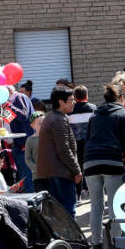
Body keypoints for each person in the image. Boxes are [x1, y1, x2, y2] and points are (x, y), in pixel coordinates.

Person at [83, 84, 125, 249]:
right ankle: (116, 245)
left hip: (90, 162)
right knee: (114, 204)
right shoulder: (124, 114)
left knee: (96, 206)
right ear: (121, 97)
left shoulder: (95, 115)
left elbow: (87, 138)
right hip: (112, 161)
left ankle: (96, 245)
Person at [37, 85, 81, 216]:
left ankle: (62, 236)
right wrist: (77, 170)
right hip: (61, 173)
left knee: (58, 213)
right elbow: (63, 149)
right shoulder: (59, 119)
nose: (73, 103)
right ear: (61, 102)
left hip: (53, 172)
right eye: (71, 100)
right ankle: (70, 237)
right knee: (67, 212)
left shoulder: (51, 116)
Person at [6, 85, 35, 192]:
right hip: (17, 144)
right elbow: (8, 122)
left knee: (27, 178)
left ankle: (33, 204)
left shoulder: (18, 97)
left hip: (24, 143)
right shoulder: (7, 103)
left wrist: (9, 106)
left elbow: (23, 116)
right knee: (23, 178)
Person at [69, 85, 95, 199]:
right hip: (90, 143)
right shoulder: (93, 108)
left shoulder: (70, 110)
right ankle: (89, 189)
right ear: (87, 95)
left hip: (75, 143)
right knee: (90, 166)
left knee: (77, 167)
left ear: (74, 97)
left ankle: (78, 192)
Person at [24, 111, 44, 180]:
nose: (43, 125)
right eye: (39, 124)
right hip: (37, 176)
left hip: (52, 175)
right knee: (41, 191)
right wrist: (36, 169)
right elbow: (27, 159)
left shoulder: (51, 137)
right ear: (33, 125)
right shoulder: (30, 140)